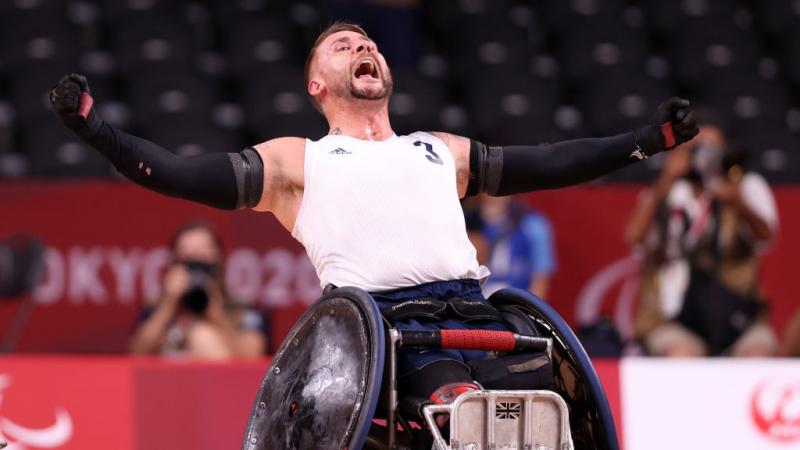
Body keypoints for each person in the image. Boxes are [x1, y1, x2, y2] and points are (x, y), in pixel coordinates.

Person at [50, 22, 697, 407]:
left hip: (479, 314)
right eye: (341, 46)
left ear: (384, 68)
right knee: (464, 420)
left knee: (549, 418)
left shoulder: (437, 150)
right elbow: (176, 172)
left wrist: (649, 140)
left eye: (368, 43)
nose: (360, 47)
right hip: (389, 331)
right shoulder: (297, 161)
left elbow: (555, 161)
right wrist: (96, 131)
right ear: (317, 85)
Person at [624, 117, 779, 357]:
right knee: (681, 354)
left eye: (713, 150)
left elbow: (765, 237)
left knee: (758, 352)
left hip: (735, 315)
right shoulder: (668, 192)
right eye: (697, 149)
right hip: (673, 315)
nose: (705, 157)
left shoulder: (745, 186)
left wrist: (737, 203)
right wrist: (666, 179)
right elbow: (634, 237)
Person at [129, 221, 267, 360]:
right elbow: (137, 353)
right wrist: (169, 304)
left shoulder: (241, 308)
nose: (195, 264)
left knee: (201, 334)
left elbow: (252, 360)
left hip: (221, 379)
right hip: (167, 380)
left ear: (220, 259)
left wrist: (216, 315)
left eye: (203, 254)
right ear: (173, 262)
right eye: (187, 255)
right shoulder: (157, 306)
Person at [479, 195, 555, 299]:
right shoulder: (466, 223)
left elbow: (541, 279)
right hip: (477, 306)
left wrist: (528, 312)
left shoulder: (533, 224)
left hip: (517, 306)